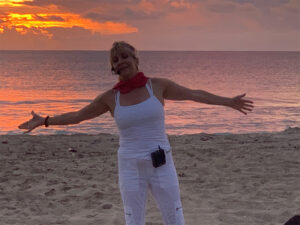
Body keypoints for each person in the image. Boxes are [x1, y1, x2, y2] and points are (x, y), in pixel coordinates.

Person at [18, 41, 254, 225]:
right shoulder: (111, 98)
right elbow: (78, 116)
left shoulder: (157, 86)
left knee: (174, 216)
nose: (121, 62)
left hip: (162, 162)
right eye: (116, 60)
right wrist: (45, 121)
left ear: (135, 59)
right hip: (130, 167)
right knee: (133, 219)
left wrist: (228, 102)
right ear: (113, 67)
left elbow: (195, 94)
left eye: (125, 56)